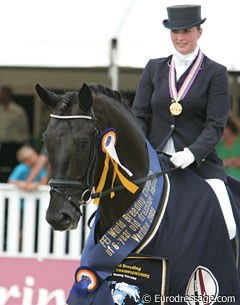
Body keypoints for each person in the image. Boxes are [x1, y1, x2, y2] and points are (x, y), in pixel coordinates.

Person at [132, 5, 236, 240]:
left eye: (186, 31)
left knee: (228, 226)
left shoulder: (215, 73)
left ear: (200, 31)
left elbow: (216, 125)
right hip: (154, 162)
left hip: (199, 163)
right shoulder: (154, 68)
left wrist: (192, 153)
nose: (180, 38)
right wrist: (144, 152)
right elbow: (139, 114)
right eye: (174, 32)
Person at [0, 86, 30, 182]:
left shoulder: (18, 111)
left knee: (13, 169)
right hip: (2, 144)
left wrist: (25, 145)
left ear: (7, 95)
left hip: (14, 145)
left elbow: (24, 129)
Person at [217, 116, 240, 180]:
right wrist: (232, 161)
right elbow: (216, 165)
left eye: (221, 128)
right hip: (225, 183)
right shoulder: (218, 145)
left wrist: (225, 163)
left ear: (229, 128)